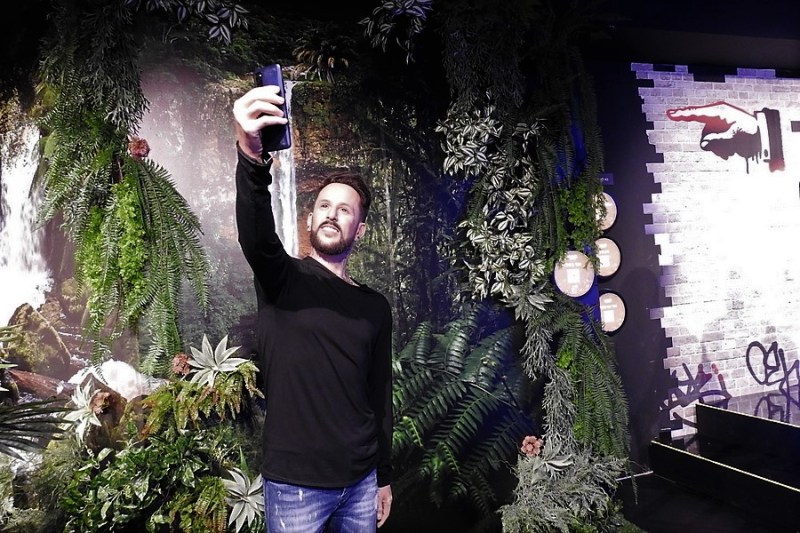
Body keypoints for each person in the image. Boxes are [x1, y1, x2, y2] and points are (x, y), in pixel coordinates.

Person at [232, 84, 393, 532]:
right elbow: (256, 235)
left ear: (359, 231)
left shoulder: (374, 307)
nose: (332, 214)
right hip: (295, 487)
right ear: (309, 219)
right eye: (324, 205)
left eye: (345, 210)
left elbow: (379, 394)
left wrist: (383, 475)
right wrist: (251, 155)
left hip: (361, 483)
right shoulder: (283, 278)